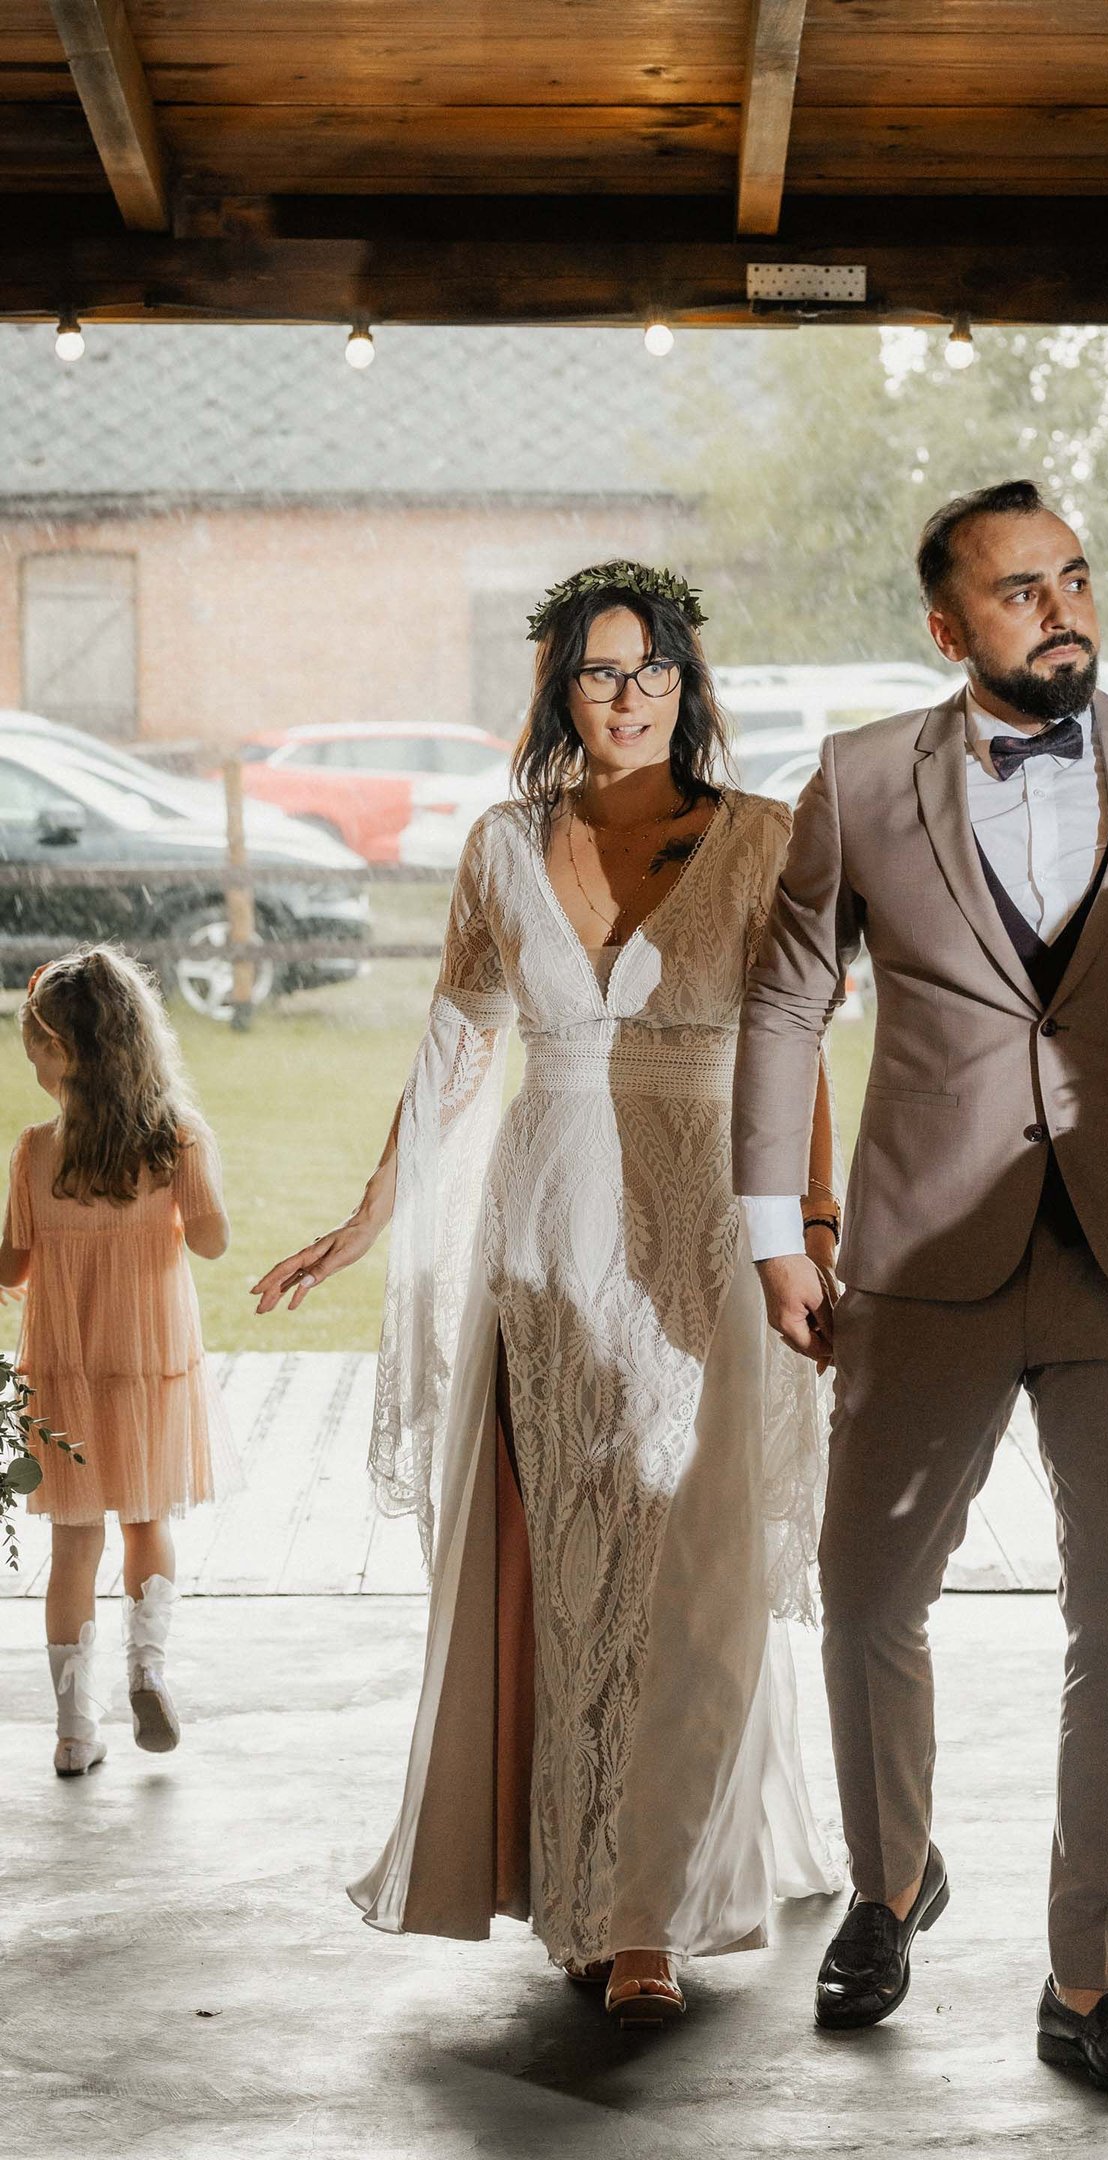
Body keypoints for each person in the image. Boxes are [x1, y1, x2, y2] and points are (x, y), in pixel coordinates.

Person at [733, 482, 1108, 2101]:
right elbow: (784, 1004)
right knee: (866, 1595)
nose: (1060, 610)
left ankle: (1087, 1981)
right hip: (921, 1264)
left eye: (1075, 579)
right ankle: (890, 1883)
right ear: (946, 625)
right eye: (1018, 590)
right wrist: (779, 1231)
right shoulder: (854, 782)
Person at [253, 560, 840, 2025]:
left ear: (687, 685)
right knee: (578, 1564)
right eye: (601, 672)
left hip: (707, 1226)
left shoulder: (765, 839)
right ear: (561, 689)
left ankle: (656, 1901)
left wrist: (813, 1234)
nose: (630, 697)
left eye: (653, 671)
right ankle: (598, 1902)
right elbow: (455, 1048)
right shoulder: (501, 846)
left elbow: (797, 1054)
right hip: (544, 1238)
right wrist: (368, 1216)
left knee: (684, 1555)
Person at [1, 947, 231, 1777]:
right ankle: (148, 1669)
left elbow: (11, 1268)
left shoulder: (35, 1152)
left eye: (35, 1049)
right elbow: (212, 1242)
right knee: (146, 1521)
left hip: (64, 1368)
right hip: (148, 1364)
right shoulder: (174, 1140)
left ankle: (74, 1731)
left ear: (63, 1054)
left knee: (73, 1543)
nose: (31, 1063)